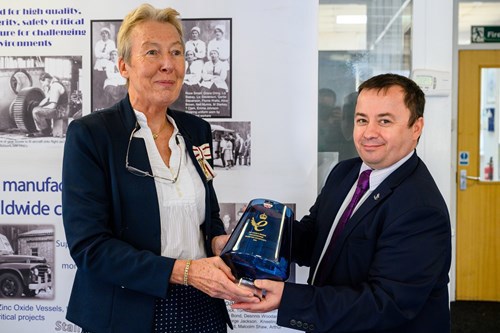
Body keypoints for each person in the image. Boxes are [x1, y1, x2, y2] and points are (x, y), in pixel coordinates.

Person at [62, 4, 258, 333]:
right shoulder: (93, 135)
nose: (168, 64)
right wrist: (184, 271)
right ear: (123, 65)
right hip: (126, 312)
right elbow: (90, 248)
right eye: (152, 52)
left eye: (177, 52)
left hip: (202, 304)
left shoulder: (196, 130)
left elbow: (205, 213)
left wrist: (217, 242)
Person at [232, 73, 452, 333]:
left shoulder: (421, 209)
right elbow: (317, 239)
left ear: (416, 127)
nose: (369, 132)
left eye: (384, 121)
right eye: (362, 120)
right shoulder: (345, 172)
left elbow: (385, 304)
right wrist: (267, 229)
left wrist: (289, 299)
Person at [27, 72, 68, 137]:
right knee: (38, 109)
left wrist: (37, 109)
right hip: (60, 110)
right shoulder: (53, 85)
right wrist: (39, 106)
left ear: (46, 80)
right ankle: (47, 129)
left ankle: (44, 131)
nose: (43, 85)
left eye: (42, 83)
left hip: (60, 112)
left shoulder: (55, 86)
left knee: (36, 112)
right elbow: (46, 99)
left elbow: (52, 106)